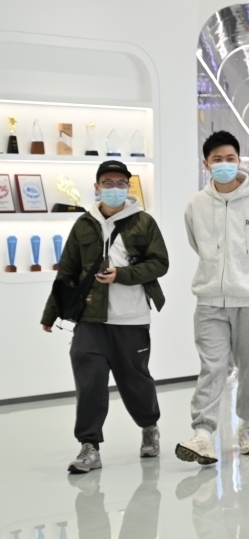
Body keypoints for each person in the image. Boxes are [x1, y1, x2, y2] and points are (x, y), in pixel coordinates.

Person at [41, 159, 170, 474]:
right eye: (108, 183)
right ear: (97, 187)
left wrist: (122, 274)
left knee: (135, 382)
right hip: (90, 320)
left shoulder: (144, 222)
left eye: (120, 183)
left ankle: (149, 426)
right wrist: (51, 313)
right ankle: (89, 446)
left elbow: (160, 263)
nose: (114, 188)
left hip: (131, 319)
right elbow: (67, 271)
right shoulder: (84, 224)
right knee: (89, 383)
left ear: (128, 186)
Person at [176, 130, 249, 465]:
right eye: (217, 159)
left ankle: (247, 426)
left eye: (230, 159)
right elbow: (197, 244)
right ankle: (202, 434)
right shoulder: (196, 205)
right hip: (210, 300)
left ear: (239, 161)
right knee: (212, 367)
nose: (224, 164)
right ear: (206, 164)